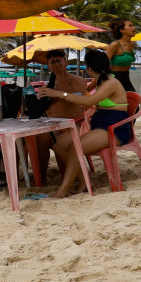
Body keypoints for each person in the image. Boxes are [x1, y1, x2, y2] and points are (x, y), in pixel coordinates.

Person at [38, 50, 129, 198]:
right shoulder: (100, 81)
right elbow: (87, 99)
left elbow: (89, 101)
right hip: (99, 123)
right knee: (59, 144)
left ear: (89, 68)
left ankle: (62, 190)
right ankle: (84, 181)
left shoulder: (110, 83)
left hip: (114, 127)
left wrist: (59, 94)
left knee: (75, 148)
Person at [34, 49, 90, 182]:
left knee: (43, 138)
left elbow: (74, 100)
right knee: (34, 139)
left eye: (59, 61)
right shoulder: (50, 84)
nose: (56, 64)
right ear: (48, 66)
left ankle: (42, 178)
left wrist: (60, 77)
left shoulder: (78, 80)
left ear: (66, 63)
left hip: (71, 125)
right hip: (50, 124)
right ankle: (40, 177)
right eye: (52, 62)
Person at [106, 18, 137, 92]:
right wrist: (94, 82)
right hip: (114, 78)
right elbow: (103, 64)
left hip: (126, 78)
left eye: (133, 25)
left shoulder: (132, 44)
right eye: (130, 26)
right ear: (122, 30)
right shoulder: (115, 45)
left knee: (134, 99)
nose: (134, 27)